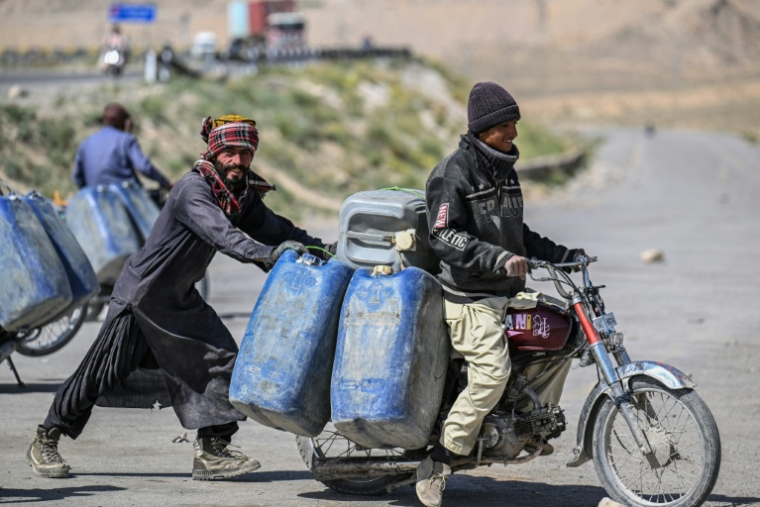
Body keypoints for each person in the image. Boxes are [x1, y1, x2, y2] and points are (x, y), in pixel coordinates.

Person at [27, 114, 334, 480]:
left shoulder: (239, 197)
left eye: (246, 153)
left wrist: (323, 249)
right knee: (100, 373)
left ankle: (212, 450)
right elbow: (222, 235)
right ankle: (46, 437)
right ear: (215, 151)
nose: (238, 161)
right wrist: (267, 255)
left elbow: (278, 229)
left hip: (179, 299)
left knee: (223, 362)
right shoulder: (194, 190)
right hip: (142, 297)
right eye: (231, 152)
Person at [416, 82, 584, 507]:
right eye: (506, 126)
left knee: (562, 337)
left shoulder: (504, 173)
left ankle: (525, 426)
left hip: (506, 293)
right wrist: (493, 258)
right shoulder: (453, 173)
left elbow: (517, 233)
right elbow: (442, 235)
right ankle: (438, 462)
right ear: (484, 129)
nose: (513, 134)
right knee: (491, 373)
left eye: (514, 125)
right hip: (469, 298)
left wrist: (562, 255)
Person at [73, 103, 173, 191]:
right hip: (126, 197)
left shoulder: (85, 143)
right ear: (126, 122)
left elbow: (77, 177)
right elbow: (145, 167)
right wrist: (166, 183)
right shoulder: (126, 140)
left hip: (97, 201)